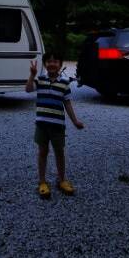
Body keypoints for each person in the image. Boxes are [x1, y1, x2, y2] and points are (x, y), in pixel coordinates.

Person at [26, 51, 85, 198]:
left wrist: (75, 121)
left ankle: (62, 180)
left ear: (60, 64)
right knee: (42, 152)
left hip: (58, 125)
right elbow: (28, 89)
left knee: (59, 153)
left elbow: (67, 104)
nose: (52, 64)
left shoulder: (64, 83)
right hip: (42, 125)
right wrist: (32, 75)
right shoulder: (40, 80)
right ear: (45, 64)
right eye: (49, 61)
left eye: (55, 61)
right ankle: (42, 181)